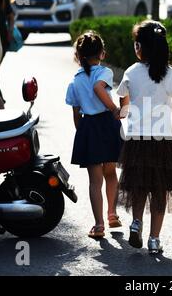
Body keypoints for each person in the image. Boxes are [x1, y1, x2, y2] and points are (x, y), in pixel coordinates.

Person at [116, 20, 172, 254]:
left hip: (136, 140)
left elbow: (124, 104)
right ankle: (154, 240)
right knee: (160, 190)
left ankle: (136, 222)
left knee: (138, 187)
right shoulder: (169, 74)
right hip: (162, 141)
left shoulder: (132, 72)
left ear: (140, 47)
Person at [66, 31, 124, 240]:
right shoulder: (104, 73)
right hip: (107, 124)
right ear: (101, 53)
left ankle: (99, 224)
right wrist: (113, 109)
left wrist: (82, 133)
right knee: (111, 173)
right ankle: (112, 214)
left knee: (94, 181)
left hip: (88, 127)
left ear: (78, 55)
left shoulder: (74, 82)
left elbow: (76, 114)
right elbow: (100, 90)